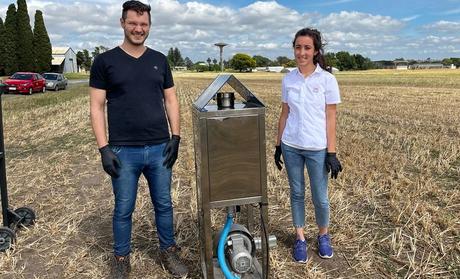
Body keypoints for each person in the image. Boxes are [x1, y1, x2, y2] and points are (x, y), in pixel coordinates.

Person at [89, 1, 188, 278]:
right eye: (133, 23)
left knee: (164, 204)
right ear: (122, 23)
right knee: (123, 208)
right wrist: (104, 148)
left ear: (149, 26)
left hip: (159, 147)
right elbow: (96, 106)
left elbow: (171, 98)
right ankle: (121, 258)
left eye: (143, 24)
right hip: (123, 151)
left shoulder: (159, 59)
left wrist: (176, 137)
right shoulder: (105, 61)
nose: (138, 28)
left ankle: (168, 251)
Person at [274, 27, 343, 263]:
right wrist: (277, 145)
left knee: (320, 196)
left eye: (307, 48)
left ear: (315, 52)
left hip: (317, 147)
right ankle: (300, 237)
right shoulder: (288, 78)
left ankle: (323, 236)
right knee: (296, 193)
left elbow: (331, 117)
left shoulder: (327, 80)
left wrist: (331, 152)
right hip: (291, 144)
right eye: (298, 47)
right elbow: (284, 113)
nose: (301, 52)